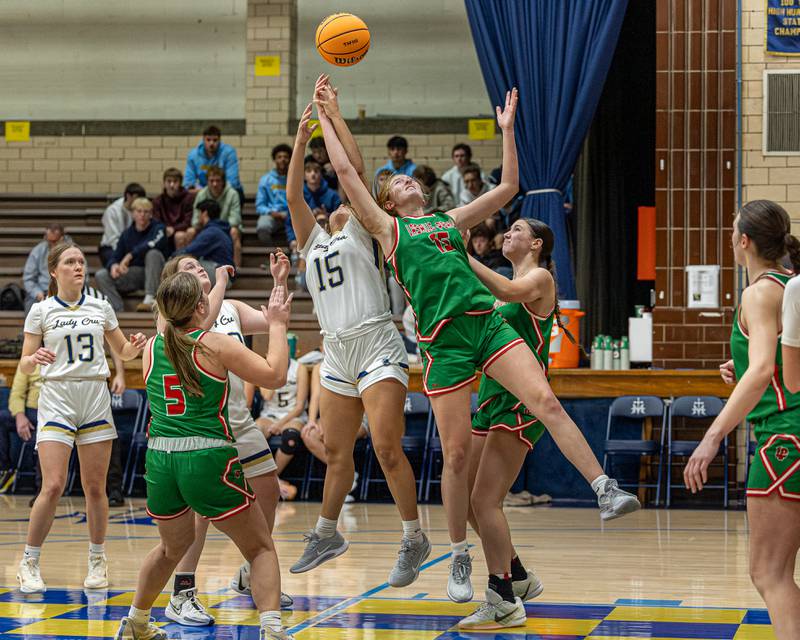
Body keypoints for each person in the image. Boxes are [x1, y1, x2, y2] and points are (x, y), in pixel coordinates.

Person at [316, 81, 640, 603]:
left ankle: (604, 488)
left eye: (407, 178)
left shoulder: (448, 221)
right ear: (389, 205)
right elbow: (348, 174)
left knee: (546, 399)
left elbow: (509, 185)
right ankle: (460, 554)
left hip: (485, 325)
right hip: (444, 345)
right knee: (458, 458)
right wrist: (331, 118)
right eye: (396, 182)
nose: (405, 179)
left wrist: (507, 130)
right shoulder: (389, 231)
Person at [289, 81, 430, 587]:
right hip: (335, 351)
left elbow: (353, 171)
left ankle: (414, 535)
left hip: (375, 342)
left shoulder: (364, 230)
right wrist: (302, 140)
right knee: (335, 452)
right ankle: (328, 531)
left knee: (388, 449)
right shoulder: (312, 241)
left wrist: (333, 116)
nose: (340, 205)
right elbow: (292, 195)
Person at [114, 269, 294, 640]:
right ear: (201, 307)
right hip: (207, 456)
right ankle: (273, 631)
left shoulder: (150, 347)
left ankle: (136, 621)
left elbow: (137, 346)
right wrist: (277, 324)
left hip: (161, 460)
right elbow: (275, 375)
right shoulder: (214, 344)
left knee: (169, 548)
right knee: (260, 548)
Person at [686, 200, 800, 639]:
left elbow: (763, 370)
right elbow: (773, 365)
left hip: (782, 443)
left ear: (744, 241)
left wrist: (712, 437)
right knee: (780, 574)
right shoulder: (789, 284)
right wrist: (744, 364)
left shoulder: (759, 292)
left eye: (733, 230)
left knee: (769, 574)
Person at [16, 242, 146, 594]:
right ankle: (28, 561)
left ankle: (97, 558)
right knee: (54, 485)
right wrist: (35, 357)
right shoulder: (41, 311)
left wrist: (135, 344)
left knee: (95, 488)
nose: (78, 266)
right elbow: (25, 362)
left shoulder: (101, 306)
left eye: (81, 261)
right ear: (54, 270)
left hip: (93, 396)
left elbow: (124, 351)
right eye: (70, 262)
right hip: (57, 396)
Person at [457, 219, 566, 629]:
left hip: (519, 402)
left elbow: (505, 291)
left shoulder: (539, 278)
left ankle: (503, 596)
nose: (508, 234)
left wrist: (460, 253)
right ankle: (516, 574)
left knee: (486, 502)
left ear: (536, 243)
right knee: (468, 500)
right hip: (490, 397)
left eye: (517, 229)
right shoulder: (507, 278)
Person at [95, 198, 169, 312]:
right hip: (135, 274)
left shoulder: (159, 228)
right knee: (102, 275)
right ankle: (117, 309)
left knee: (152, 254)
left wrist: (130, 255)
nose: (142, 215)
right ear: (133, 214)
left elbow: (151, 244)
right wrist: (113, 265)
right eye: (139, 211)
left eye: (146, 212)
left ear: (151, 214)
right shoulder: (127, 234)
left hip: (156, 273)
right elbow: (116, 255)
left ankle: (150, 298)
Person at [255, 356, 310, 485]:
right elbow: (267, 396)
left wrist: (280, 424)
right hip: (270, 415)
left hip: (294, 415)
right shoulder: (263, 367)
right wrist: (276, 371)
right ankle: (258, 478)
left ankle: (271, 479)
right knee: (254, 435)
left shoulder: (299, 368)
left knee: (291, 439)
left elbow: (300, 406)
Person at [192, 166, 243, 267]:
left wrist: (216, 229)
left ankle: (236, 268)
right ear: (207, 182)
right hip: (206, 228)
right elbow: (195, 219)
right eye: (211, 181)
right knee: (190, 232)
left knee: (235, 231)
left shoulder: (232, 194)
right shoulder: (201, 194)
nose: (214, 184)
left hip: (226, 228)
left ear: (223, 181)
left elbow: (235, 219)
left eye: (218, 181)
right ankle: (189, 267)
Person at [175, 201, 233, 287]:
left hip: (221, 274)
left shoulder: (211, 232)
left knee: (186, 266)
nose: (198, 216)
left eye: (199, 213)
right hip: (224, 273)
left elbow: (190, 251)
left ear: (204, 213)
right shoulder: (218, 229)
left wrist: (172, 257)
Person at [183, 125, 242, 196]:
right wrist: (206, 191)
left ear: (219, 140)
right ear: (203, 140)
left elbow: (233, 182)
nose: (211, 143)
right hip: (202, 191)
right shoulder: (193, 155)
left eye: (215, 140)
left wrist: (215, 189)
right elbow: (188, 183)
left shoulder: (229, 153)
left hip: (225, 191)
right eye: (208, 140)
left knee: (235, 193)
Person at [99, 184, 146, 268]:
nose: (139, 202)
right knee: (115, 264)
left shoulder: (138, 211)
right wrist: (125, 253)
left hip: (131, 248)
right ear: (128, 196)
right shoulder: (112, 211)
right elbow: (112, 239)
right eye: (137, 198)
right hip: (111, 247)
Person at [23, 224, 67, 313]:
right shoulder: (38, 250)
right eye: (49, 241)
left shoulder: (73, 251)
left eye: (55, 241)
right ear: (45, 237)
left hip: (66, 292)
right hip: (42, 292)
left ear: (62, 238)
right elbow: (28, 278)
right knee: (31, 306)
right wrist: (37, 293)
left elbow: (82, 276)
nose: (52, 244)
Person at [256, 144, 292, 247]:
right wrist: (272, 212)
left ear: (290, 159)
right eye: (279, 157)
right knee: (262, 227)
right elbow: (260, 205)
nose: (283, 160)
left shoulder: (295, 178)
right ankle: (271, 254)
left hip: (292, 216)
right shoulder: (266, 180)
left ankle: (296, 256)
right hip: (273, 215)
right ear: (274, 160)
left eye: (285, 157)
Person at [152, 168, 195, 250]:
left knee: (180, 235)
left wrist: (174, 229)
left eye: (175, 181)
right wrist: (165, 228)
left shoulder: (189, 198)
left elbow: (188, 221)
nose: (171, 185)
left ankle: (181, 260)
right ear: (164, 183)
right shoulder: (158, 200)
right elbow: (156, 220)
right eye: (169, 181)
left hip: (181, 230)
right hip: (164, 231)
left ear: (180, 183)